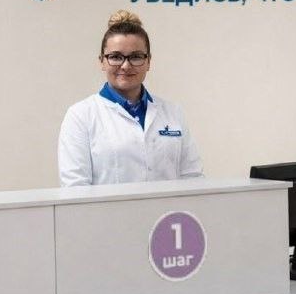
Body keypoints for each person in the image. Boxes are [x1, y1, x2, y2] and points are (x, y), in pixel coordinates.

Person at [58, 10, 203, 186]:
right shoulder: (80, 115)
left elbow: (193, 178)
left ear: (148, 61)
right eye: (115, 57)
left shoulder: (173, 112)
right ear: (102, 61)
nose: (126, 66)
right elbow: (76, 188)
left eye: (136, 57)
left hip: (168, 206)